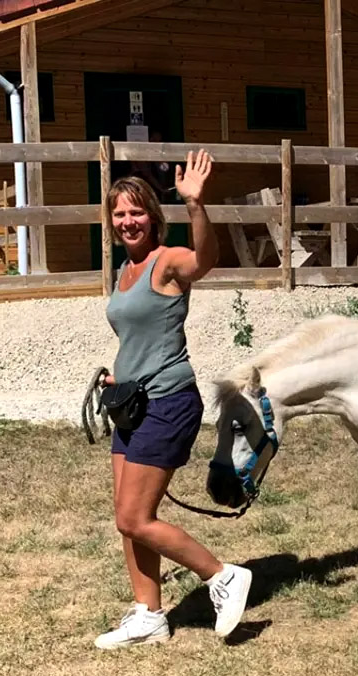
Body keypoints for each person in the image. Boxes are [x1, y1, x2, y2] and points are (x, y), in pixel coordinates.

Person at [95, 150, 252, 649]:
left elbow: (204, 261)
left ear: (153, 216)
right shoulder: (125, 270)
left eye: (136, 212)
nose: (128, 221)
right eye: (119, 214)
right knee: (128, 517)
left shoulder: (167, 262)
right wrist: (117, 377)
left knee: (133, 517)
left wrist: (196, 205)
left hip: (168, 401)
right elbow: (138, 337)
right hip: (131, 402)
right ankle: (149, 614)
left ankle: (222, 576)